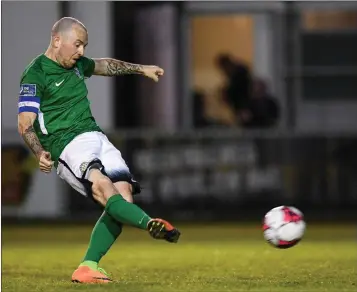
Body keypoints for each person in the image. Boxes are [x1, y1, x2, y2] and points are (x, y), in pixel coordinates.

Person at [17, 17, 180, 284]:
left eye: (84, 46)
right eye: (78, 44)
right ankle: (149, 223)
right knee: (103, 187)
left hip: (97, 137)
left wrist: (142, 69)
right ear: (57, 41)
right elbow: (25, 124)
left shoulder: (79, 64)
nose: (81, 52)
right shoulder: (35, 73)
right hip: (66, 144)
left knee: (124, 197)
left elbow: (104, 65)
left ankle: (88, 266)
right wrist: (38, 152)